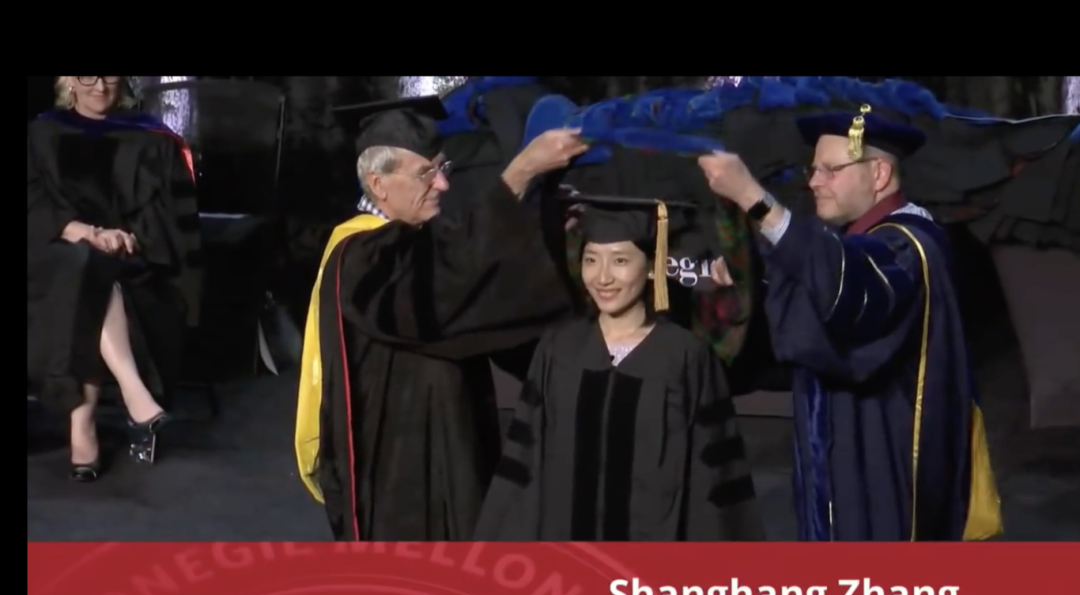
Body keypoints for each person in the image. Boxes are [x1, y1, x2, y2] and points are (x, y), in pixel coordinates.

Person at [698, 105, 1003, 541]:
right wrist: (752, 279)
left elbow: (852, 288)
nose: (813, 182)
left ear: (878, 173)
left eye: (831, 169)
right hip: (847, 447)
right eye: (813, 169)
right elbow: (822, 291)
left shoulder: (909, 245)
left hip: (884, 460)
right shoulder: (859, 239)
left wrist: (754, 197)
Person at [294, 95, 586, 541]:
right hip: (402, 478)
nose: (443, 184)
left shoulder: (411, 244)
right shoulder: (360, 255)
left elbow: (474, 294)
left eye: (443, 168)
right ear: (378, 184)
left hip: (449, 452)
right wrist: (518, 174)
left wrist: (543, 230)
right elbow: (444, 287)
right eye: (426, 173)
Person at [475, 193, 766, 541]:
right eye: (591, 260)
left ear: (652, 264)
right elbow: (523, 467)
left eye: (620, 260)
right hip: (566, 555)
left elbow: (715, 482)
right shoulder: (558, 350)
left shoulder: (685, 357)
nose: (602, 277)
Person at [28, 76, 201, 481]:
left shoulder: (152, 138)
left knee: (92, 271)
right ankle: (134, 394)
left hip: (125, 257)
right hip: (47, 252)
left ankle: (82, 427)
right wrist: (80, 230)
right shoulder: (39, 133)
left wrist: (128, 238)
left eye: (110, 75)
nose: (100, 85)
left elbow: (166, 219)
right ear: (69, 81)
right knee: (81, 265)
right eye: (87, 75)